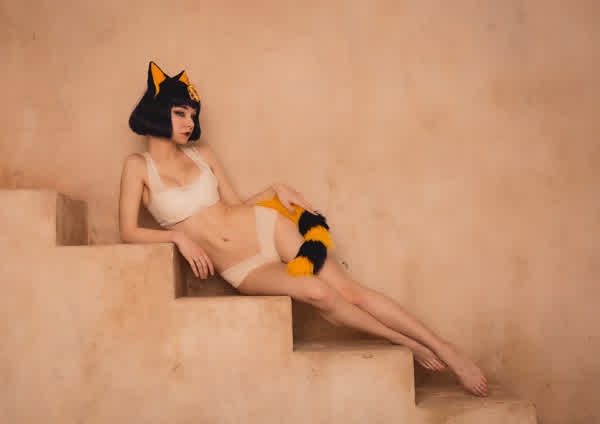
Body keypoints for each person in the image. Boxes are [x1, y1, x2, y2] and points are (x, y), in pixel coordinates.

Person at [119, 61, 489, 397]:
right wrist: (178, 236)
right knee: (319, 293)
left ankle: (444, 348)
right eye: (180, 112)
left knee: (350, 291)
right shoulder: (138, 167)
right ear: (158, 110)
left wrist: (275, 189)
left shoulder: (203, 155)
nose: (189, 122)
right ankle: (406, 343)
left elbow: (235, 206)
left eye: (192, 114)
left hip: (264, 228)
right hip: (243, 267)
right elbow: (129, 231)